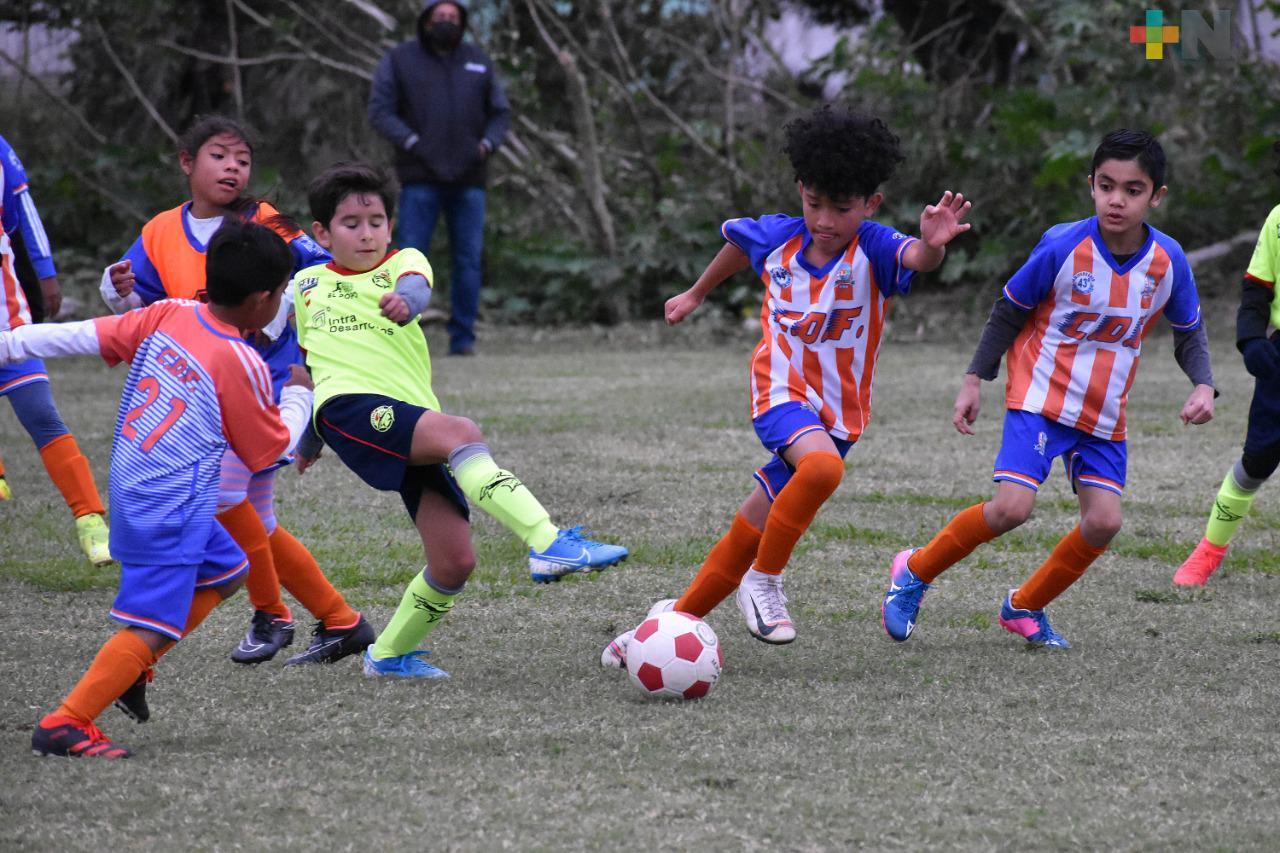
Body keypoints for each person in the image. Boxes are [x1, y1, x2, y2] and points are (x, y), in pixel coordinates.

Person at [601, 105, 971, 667]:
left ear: (870, 204)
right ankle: (765, 580)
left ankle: (658, 631)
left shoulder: (872, 246)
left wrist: (935, 244)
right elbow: (736, 246)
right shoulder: (778, 237)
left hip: (839, 413)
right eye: (814, 203)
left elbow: (915, 256)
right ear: (801, 189)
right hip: (779, 390)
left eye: (841, 208)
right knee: (822, 470)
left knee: (753, 524)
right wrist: (696, 293)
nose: (824, 219)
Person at [880, 129, 1215, 649]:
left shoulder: (1167, 261)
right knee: (1011, 509)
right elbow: (1008, 310)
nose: (1117, 200)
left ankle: (1025, 606)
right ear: (1091, 186)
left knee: (1103, 523)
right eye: (1106, 186)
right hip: (1039, 398)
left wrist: (1203, 385)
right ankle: (914, 572)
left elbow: (1189, 330)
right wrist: (974, 378)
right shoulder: (1063, 245)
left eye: (1132, 189)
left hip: (1103, 415)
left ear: (1156, 196)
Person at [289, 162, 626, 679]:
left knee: (454, 562)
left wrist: (407, 303)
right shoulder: (306, 284)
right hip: (349, 408)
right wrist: (311, 437)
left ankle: (389, 655)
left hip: (407, 419)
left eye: (376, 220)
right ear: (322, 233)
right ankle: (548, 544)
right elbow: (317, 364)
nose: (366, 233)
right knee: (462, 433)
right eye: (351, 223)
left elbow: (416, 286)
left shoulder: (404, 261)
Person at [7, 222, 313, 758]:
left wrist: (10, 342)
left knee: (229, 568)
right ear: (265, 298)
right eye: (284, 291)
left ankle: (131, 669)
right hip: (169, 508)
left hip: (137, 486)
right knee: (152, 623)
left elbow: (84, 335)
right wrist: (300, 398)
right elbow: (274, 448)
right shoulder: (238, 360)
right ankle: (68, 722)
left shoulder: (170, 313)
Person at [101, 116, 374, 667]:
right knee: (250, 511)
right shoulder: (157, 232)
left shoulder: (265, 221)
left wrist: (281, 322)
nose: (233, 168)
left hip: (265, 382)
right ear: (187, 162)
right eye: (220, 156)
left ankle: (274, 613)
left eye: (243, 160)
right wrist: (116, 291)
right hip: (206, 392)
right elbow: (150, 315)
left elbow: (323, 271)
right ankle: (339, 620)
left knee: (233, 503)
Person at [368, 0, 510, 356]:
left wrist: (487, 145)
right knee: (410, 258)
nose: (446, 22)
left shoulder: (478, 61)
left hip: (469, 180)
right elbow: (380, 111)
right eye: (439, 17)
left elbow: (501, 114)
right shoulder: (401, 60)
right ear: (426, 21)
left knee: (468, 261)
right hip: (419, 178)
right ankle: (401, 336)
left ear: (462, 23)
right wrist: (412, 141)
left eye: (453, 17)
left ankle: (463, 339)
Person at [0, 132, 111, 564]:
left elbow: (19, 214)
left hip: (8, 322)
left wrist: (45, 272)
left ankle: (91, 522)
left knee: (43, 416)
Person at [1174, 167, 1280, 585]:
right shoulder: (1277, 220)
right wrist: (1251, 340)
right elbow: (1256, 292)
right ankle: (1208, 551)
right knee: (1255, 462)